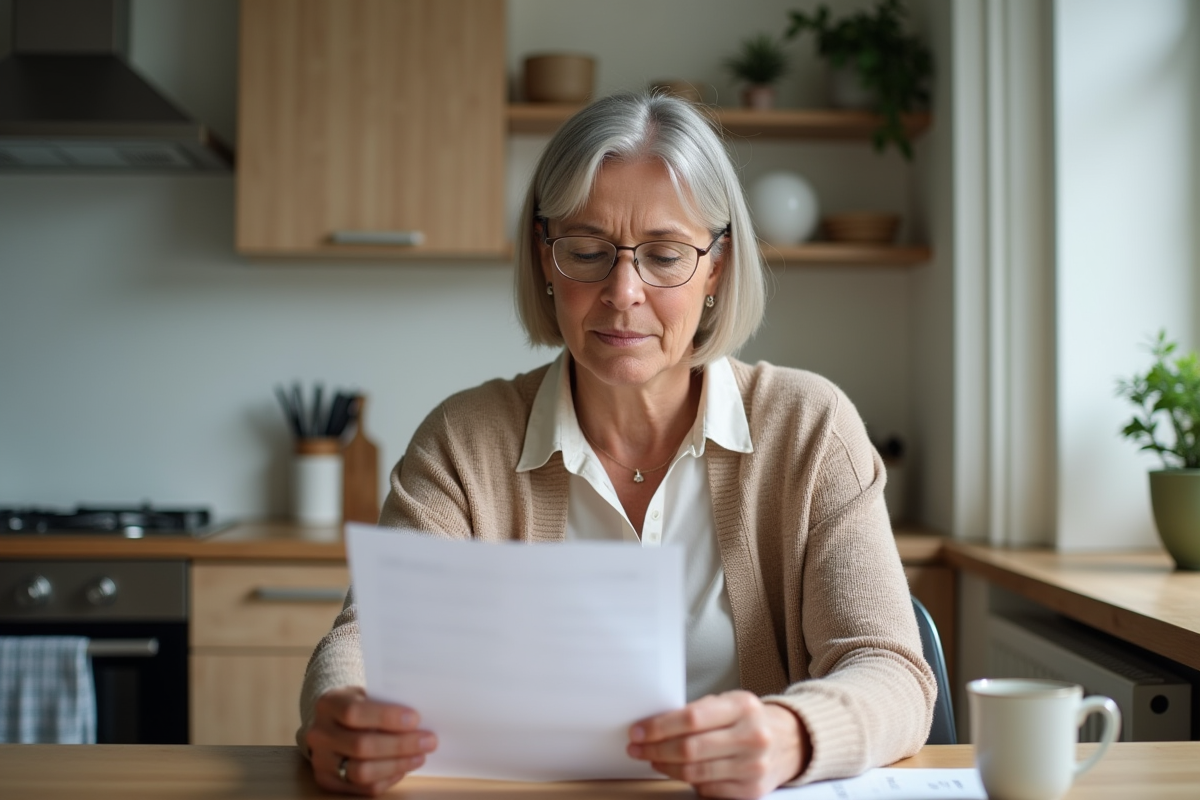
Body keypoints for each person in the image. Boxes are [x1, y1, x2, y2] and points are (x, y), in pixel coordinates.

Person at [297, 92, 935, 799]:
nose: (623, 291)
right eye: (587, 251)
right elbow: (363, 645)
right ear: (546, 256)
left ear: (716, 268)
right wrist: (343, 712)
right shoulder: (463, 440)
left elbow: (891, 670)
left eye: (664, 255)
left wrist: (791, 735)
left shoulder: (810, 427)